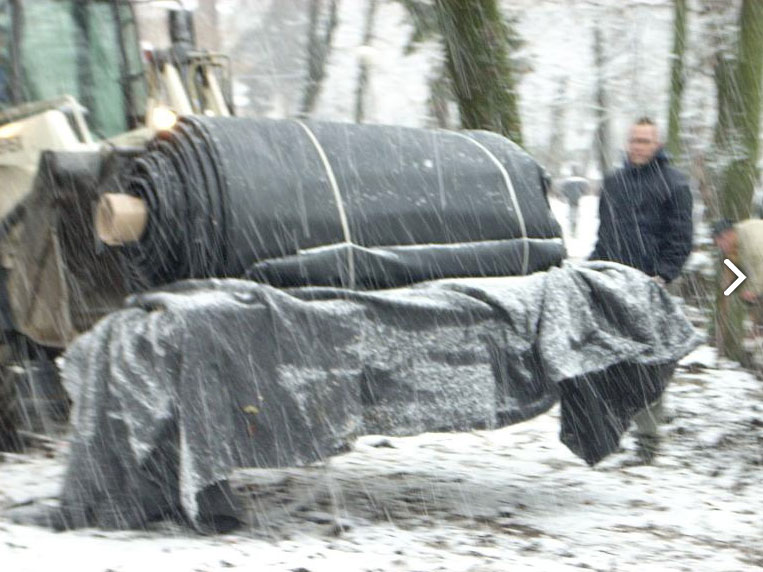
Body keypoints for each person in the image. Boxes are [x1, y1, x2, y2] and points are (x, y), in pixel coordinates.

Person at [590, 117, 693, 463]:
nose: (638, 146)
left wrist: (662, 276)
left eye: (645, 141)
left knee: (648, 364)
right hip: (612, 282)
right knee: (610, 360)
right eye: (634, 140)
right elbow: (605, 233)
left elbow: (680, 239)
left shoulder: (674, 184)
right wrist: (590, 268)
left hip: (651, 287)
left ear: (658, 144)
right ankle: (609, 435)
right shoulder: (614, 182)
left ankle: (648, 442)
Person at [712, 218, 763, 330]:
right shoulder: (735, 245)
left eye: (721, 242)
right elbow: (736, 274)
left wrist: (753, 290)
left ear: (728, 234)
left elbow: (760, 263)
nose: (721, 247)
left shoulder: (752, 238)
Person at [558, 165, 589, 237]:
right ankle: (574, 227)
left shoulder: (568, 182)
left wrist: (565, 195)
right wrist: (581, 193)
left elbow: (564, 189)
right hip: (576, 199)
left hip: (571, 199)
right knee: (575, 213)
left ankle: (572, 227)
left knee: (572, 213)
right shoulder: (579, 182)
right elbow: (584, 189)